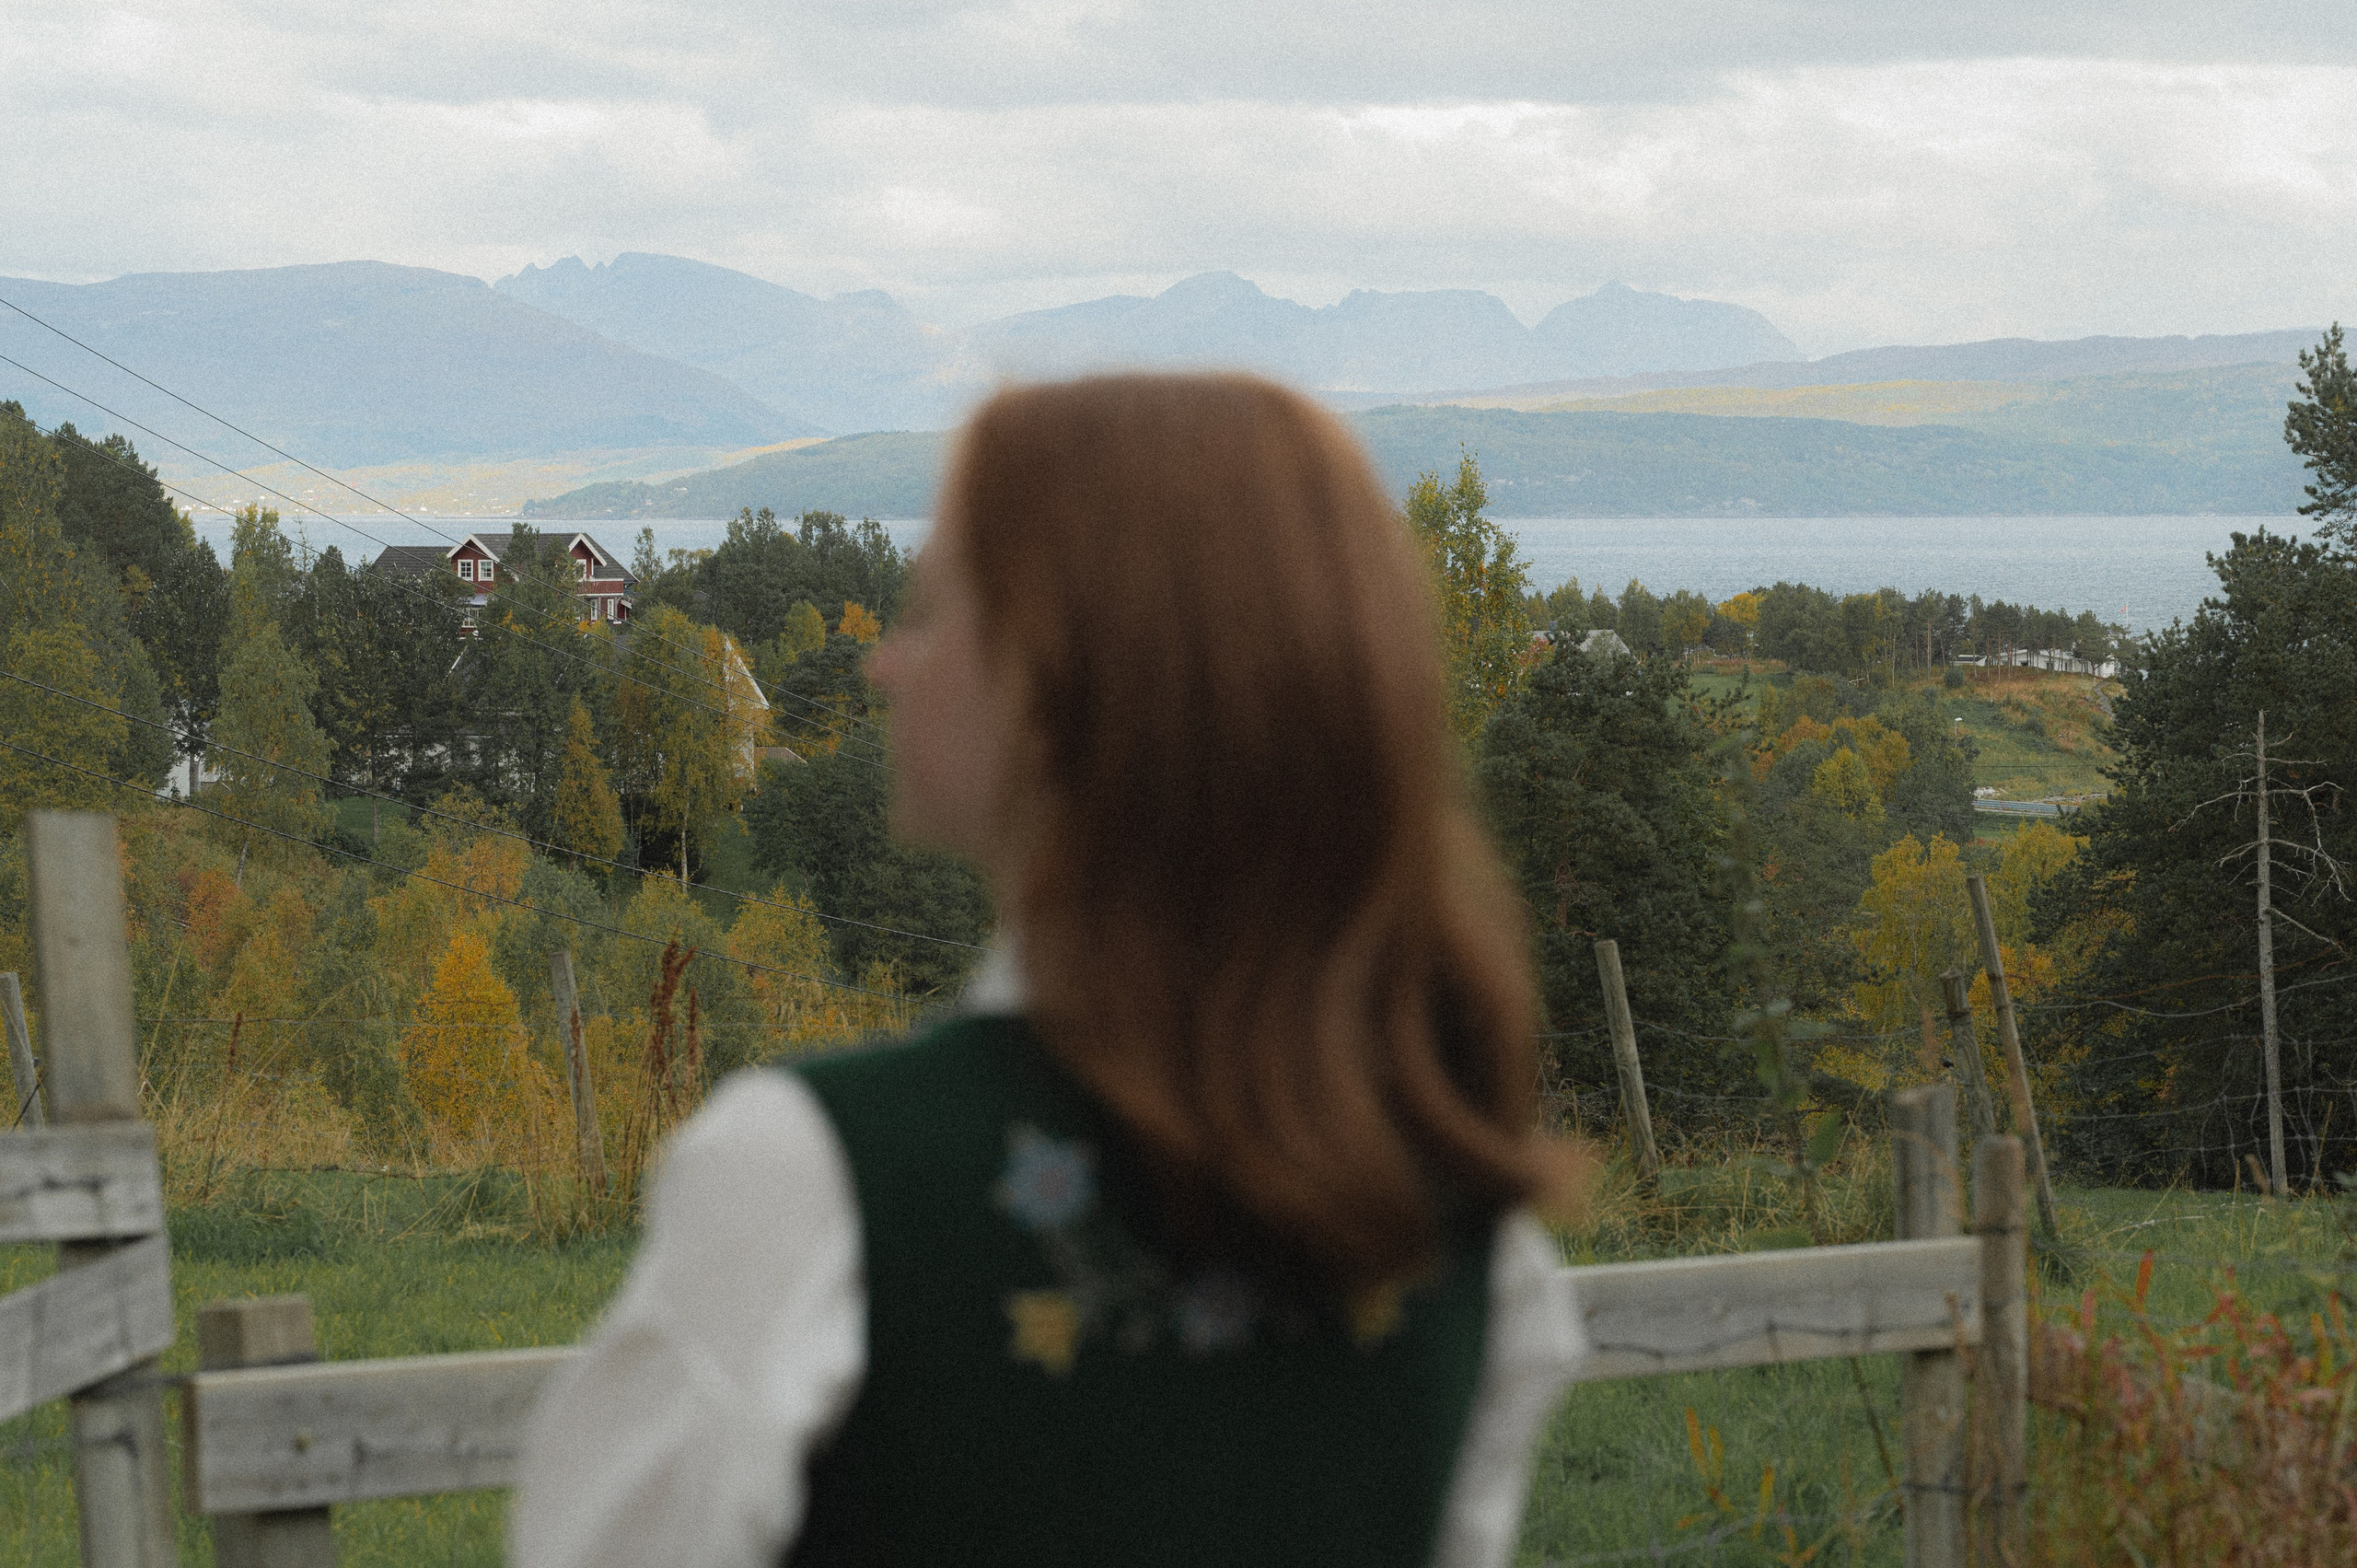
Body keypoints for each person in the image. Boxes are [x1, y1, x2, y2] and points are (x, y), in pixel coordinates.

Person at [510, 373, 1594, 1568]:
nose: (884, 666)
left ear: (1060, 683)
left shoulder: (812, 1182)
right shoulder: (1471, 1248)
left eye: (933, 609)